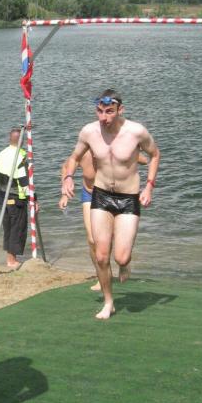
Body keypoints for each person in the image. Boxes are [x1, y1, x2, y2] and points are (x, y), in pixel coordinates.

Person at [61, 90, 160, 320]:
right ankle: (109, 302)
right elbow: (74, 157)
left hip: (128, 198)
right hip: (101, 195)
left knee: (121, 257)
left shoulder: (136, 131)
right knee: (101, 255)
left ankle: (126, 264)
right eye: (99, 111)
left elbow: (155, 155)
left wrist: (149, 186)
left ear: (120, 110)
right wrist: (68, 177)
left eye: (109, 112)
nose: (103, 117)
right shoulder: (89, 131)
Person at [58, 149, 149, 291]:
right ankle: (103, 277)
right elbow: (65, 167)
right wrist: (65, 192)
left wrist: (132, 150)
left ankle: (124, 264)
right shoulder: (83, 155)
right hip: (90, 194)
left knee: (114, 238)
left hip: (114, 195)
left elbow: (144, 161)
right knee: (92, 240)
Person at [0, 127, 29, 269]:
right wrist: (32, 199)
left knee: (8, 226)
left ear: (10, 139)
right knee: (17, 227)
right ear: (22, 140)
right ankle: (12, 260)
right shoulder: (21, 155)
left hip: (3, 194)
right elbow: (24, 181)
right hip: (16, 197)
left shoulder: (1, 154)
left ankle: (10, 258)